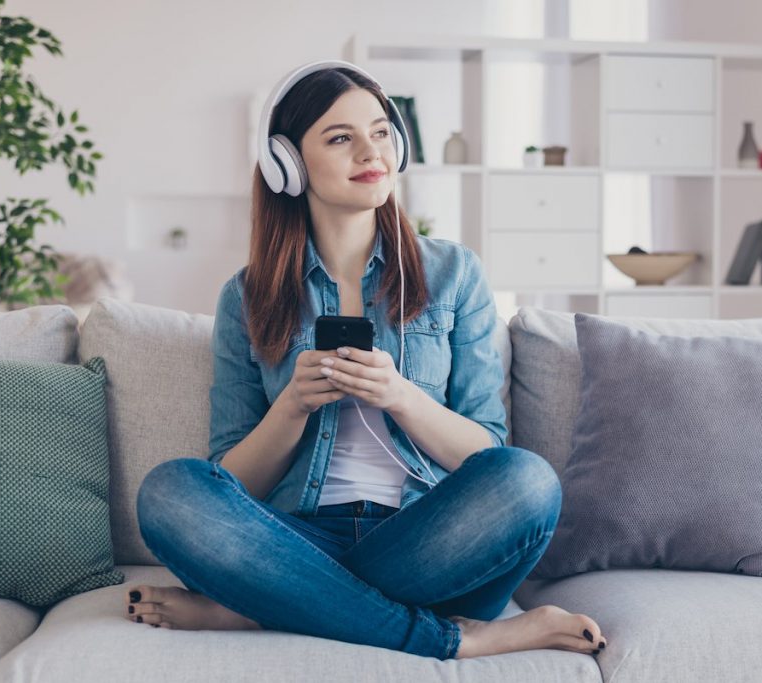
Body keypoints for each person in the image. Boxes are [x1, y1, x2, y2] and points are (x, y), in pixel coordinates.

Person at [127, 60, 607, 661]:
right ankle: (448, 638)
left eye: (380, 132)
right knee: (171, 491)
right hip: (295, 538)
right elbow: (231, 482)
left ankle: (264, 608)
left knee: (528, 481)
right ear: (288, 165)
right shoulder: (246, 297)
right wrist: (292, 408)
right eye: (340, 137)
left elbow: (488, 453)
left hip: (434, 541)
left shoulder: (454, 274)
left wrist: (400, 397)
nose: (369, 151)